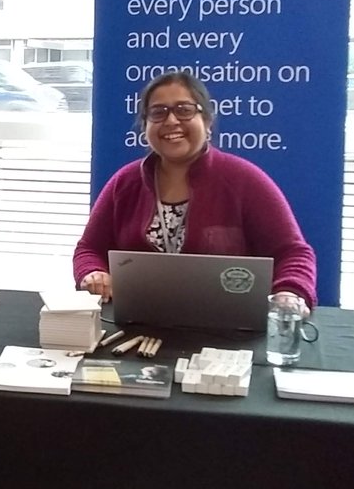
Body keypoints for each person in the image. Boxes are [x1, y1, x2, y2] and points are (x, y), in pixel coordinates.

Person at [73, 72, 316, 312]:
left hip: (227, 331)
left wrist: (290, 291)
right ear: (145, 125)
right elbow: (89, 248)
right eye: (158, 113)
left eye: (184, 110)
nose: (171, 121)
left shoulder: (246, 180)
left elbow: (294, 253)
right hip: (135, 324)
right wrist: (93, 273)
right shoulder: (124, 183)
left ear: (207, 121)